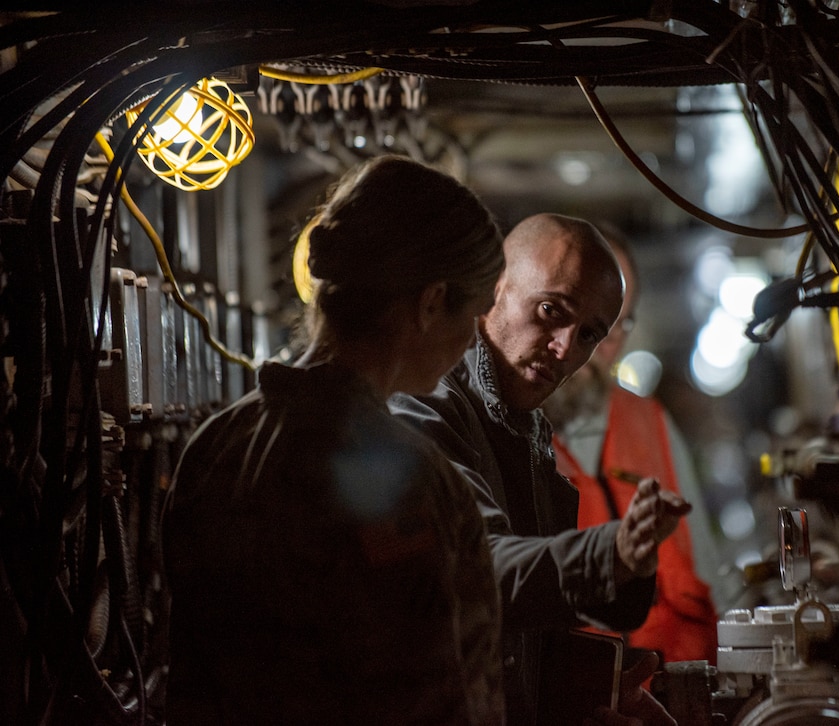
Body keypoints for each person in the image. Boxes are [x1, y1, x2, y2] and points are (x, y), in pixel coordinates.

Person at [162, 155, 506, 725]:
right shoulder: (409, 478)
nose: (472, 339)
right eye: (475, 313)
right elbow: (439, 698)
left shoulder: (214, 446)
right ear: (430, 303)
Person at [389, 213, 690, 726]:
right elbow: (478, 567)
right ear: (494, 289)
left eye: (589, 334)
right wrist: (612, 553)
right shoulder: (426, 402)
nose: (565, 349)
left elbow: (527, 628)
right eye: (552, 310)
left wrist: (583, 695)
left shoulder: (521, 426)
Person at [544, 224, 720, 664]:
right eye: (572, 312)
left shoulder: (652, 421)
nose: (593, 342)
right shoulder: (501, 436)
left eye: (613, 324)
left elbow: (711, 575)